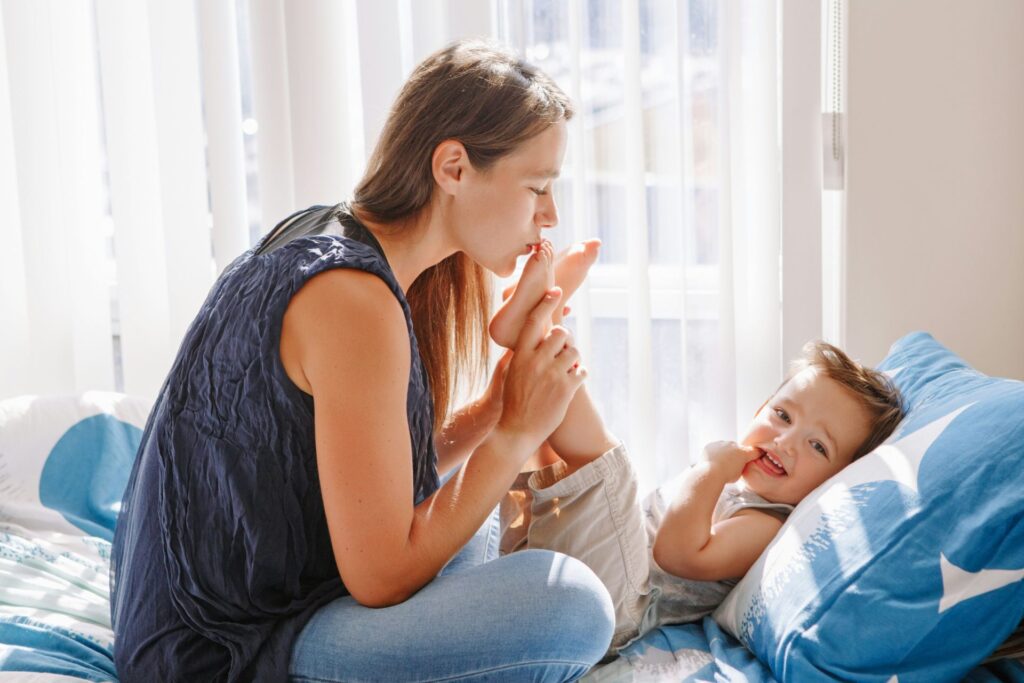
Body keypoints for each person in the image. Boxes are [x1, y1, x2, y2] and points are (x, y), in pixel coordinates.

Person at [109, 40, 617, 682]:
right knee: (574, 607)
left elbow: (370, 479)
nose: (551, 216)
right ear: (453, 168)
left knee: (476, 527)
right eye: (537, 187)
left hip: (281, 597)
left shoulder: (331, 235)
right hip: (223, 652)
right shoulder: (353, 300)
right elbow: (379, 575)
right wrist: (517, 432)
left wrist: (492, 409)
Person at [493, 258, 905, 652]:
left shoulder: (766, 522)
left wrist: (708, 472)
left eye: (818, 446)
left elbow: (676, 553)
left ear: (835, 479)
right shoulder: (743, 484)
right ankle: (538, 331)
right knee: (548, 449)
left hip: (618, 606)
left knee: (606, 469)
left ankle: (541, 330)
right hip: (583, 562)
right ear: (761, 407)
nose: (787, 441)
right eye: (782, 415)